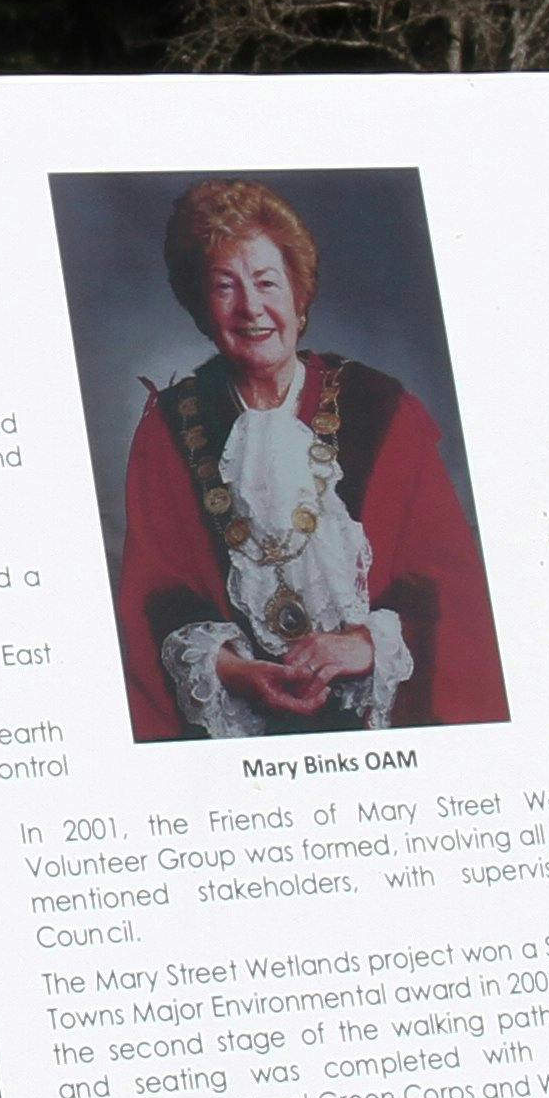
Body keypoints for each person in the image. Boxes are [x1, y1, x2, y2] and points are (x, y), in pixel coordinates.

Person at [110, 180, 505, 740]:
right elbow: (155, 599)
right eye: (225, 287)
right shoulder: (172, 428)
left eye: (267, 282)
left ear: (299, 292)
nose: (251, 308)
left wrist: (364, 646)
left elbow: (450, 587)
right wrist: (232, 669)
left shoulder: (382, 408)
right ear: (202, 306)